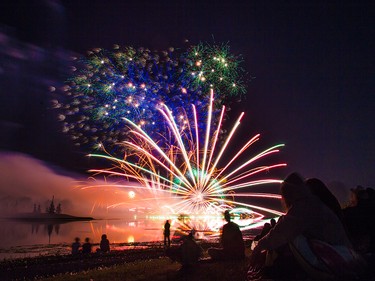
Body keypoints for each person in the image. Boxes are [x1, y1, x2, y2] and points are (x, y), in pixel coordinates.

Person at [248, 172, 364, 280]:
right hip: (343, 252)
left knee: (294, 239)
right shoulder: (313, 203)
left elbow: (281, 232)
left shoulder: (304, 207)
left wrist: (259, 247)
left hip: (339, 256)